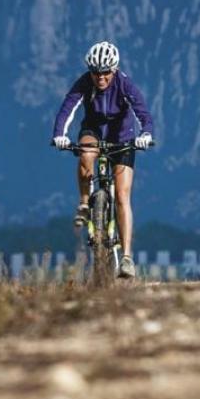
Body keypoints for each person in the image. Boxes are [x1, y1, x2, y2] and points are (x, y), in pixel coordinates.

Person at [51, 40, 154, 279]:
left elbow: (143, 113)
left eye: (106, 72)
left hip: (123, 137)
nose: (101, 77)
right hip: (93, 131)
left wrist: (146, 135)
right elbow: (67, 109)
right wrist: (59, 135)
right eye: (96, 72)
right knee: (86, 153)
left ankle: (127, 257)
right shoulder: (84, 83)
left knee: (122, 195)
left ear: (114, 70)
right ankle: (85, 203)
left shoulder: (125, 84)